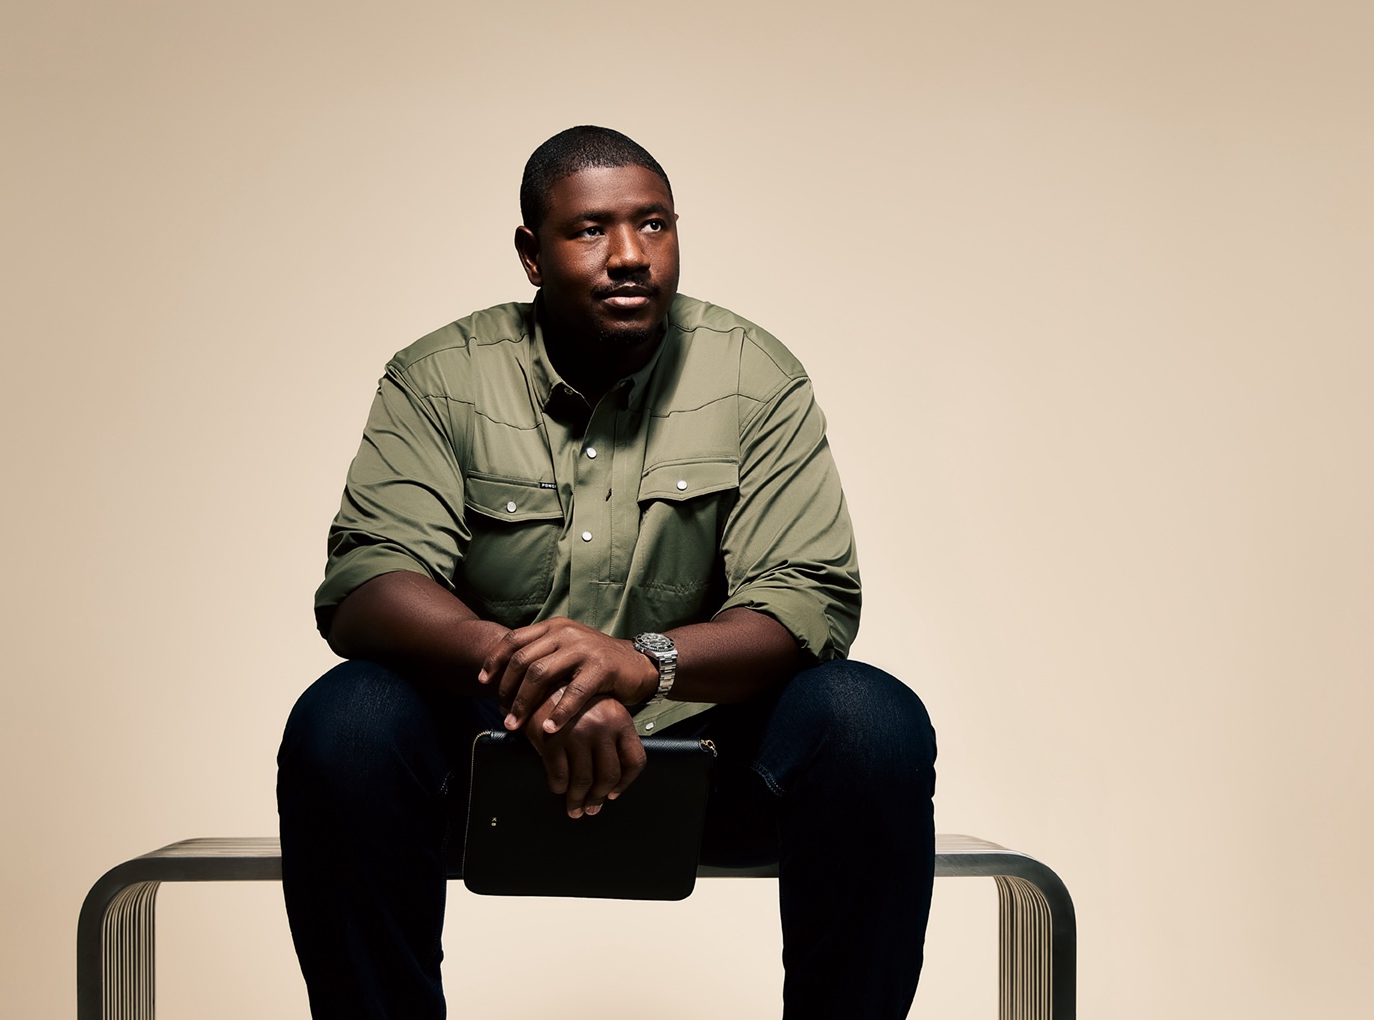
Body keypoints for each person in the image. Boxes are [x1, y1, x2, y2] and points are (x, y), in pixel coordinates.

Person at [277, 126, 937, 1020]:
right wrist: (540, 675)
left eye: (654, 225)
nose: (630, 255)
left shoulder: (753, 373)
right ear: (531, 254)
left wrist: (638, 662)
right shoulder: (440, 377)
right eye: (591, 230)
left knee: (869, 721)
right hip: (494, 753)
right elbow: (368, 581)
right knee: (346, 723)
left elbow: (805, 595)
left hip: (704, 751)